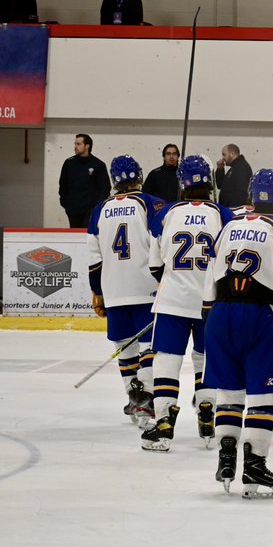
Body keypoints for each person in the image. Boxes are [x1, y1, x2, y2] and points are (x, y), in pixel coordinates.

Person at [204, 169, 273, 499]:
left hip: (220, 313)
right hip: (260, 315)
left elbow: (209, 283)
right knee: (263, 395)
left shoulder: (229, 226)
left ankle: (226, 458)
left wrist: (213, 319)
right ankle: (254, 467)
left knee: (230, 391)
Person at [140, 155, 233, 452]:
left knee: (167, 359)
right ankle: (207, 412)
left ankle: (164, 424)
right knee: (205, 360)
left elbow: (155, 264)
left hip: (172, 301)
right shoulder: (223, 214)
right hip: (211, 303)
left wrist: (173, 282)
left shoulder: (166, 213)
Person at [86, 155, 166, 427]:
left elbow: (94, 260)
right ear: (139, 176)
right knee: (148, 348)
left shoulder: (99, 209)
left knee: (125, 347)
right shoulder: (151, 204)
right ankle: (146, 398)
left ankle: (134, 398)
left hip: (114, 290)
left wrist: (98, 291)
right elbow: (162, 243)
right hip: (147, 288)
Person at [59, 134, 111, 227]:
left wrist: (97, 207)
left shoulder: (98, 165)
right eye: (75, 144)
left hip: (90, 210)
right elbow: (63, 185)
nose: (75, 146)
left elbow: (105, 188)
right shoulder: (69, 163)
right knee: (74, 236)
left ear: (87, 146)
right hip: (73, 210)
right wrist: (66, 203)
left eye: (78, 144)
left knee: (88, 236)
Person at [214, 144, 253, 208]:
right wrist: (220, 169)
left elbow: (241, 194)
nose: (223, 158)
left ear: (232, 154)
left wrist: (233, 211)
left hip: (234, 211)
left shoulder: (242, 167)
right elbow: (220, 185)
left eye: (224, 154)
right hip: (228, 210)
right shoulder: (234, 168)